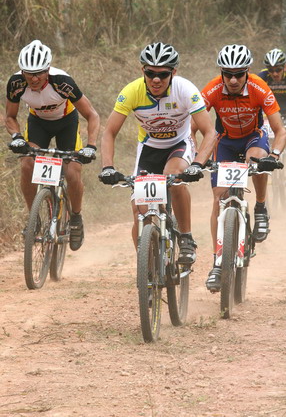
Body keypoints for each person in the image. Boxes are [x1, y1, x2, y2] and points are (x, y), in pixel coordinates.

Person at [99, 41, 217, 265]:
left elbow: (209, 132)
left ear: (173, 72)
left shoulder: (185, 90)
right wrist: (107, 167)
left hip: (179, 145)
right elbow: (109, 133)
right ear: (142, 70)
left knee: (174, 177)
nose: (155, 79)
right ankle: (148, 268)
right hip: (149, 148)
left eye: (162, 74)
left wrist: (198, 164)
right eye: (150, 73)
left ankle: (186, 238)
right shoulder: (131, 92)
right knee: (139, 212)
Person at [191, 44, 286, 292]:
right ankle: (217, 262)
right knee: (218, 196)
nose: (233, 79)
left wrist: (274, 155)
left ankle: (261, 208)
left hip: (253, 136)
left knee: (258, 160)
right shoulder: (211, 89)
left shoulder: (259, 87)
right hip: (225, 141)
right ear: (221, 72)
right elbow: (192, 128)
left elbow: (279, 130)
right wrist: (194, 157)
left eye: (239, 74)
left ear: (247, 72)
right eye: (228, 74)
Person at [5, 40, 100, 251]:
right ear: (22, 71)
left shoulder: (62, 81)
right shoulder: (16, 83)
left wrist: (91, 146)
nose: (34, 78)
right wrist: (17, 137)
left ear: (48, 69)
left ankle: (75, 217)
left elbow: (92, 115)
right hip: (38, 123)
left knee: (73, 172)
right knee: (27, 164)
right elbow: (10, 117)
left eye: (39, 73)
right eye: (29, 73)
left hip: (66, 123)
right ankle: (34, 219)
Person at [258, 48, 286, 117]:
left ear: (284, 67)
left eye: (278, 70)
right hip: (270, 112)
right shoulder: (262, 76)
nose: (275, 74)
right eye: (271, 70)